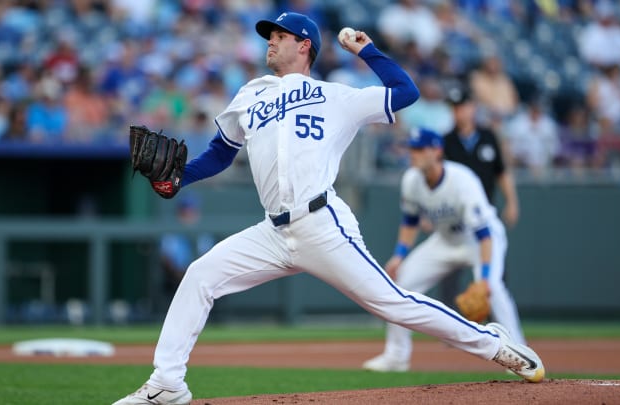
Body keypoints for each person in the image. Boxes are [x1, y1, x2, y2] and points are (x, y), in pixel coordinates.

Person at [113, 12, 544, 405]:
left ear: (304, 46)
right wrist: (180, 177)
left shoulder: (337, 97)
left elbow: (406, 92)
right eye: (269, 36)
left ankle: (493, 343)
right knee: (201, 276)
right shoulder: (251, 94)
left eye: (280, 36)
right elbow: (221, 153)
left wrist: (366, 51)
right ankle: (167, 383)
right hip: (272, 233)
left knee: (393, 304)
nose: (271, 42)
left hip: (322, 224)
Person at [362, 128, 529, 373]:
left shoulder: (462, 181)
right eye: (412, 148)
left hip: (480, 240)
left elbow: (484, 235)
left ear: (437, 151)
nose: (413, 154)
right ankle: (396, 356)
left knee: (492, 289)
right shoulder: (411, 180)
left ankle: (519, 352)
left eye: (419, 149)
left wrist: (483, 278)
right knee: (402, 283)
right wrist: (399, 255)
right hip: (446, 240)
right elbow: (410, 221)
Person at [437, 84, 521, 315]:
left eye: (462, 106)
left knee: (494, 276)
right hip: (454, 219)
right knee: (449, 275)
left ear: (472, 107)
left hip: (483, 217)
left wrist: (512, 202)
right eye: (454, 108)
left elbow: (502, 172)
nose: (458, 112)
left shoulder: (487, 136)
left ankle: (497, 323)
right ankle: (452, 326)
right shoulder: (446, 141)